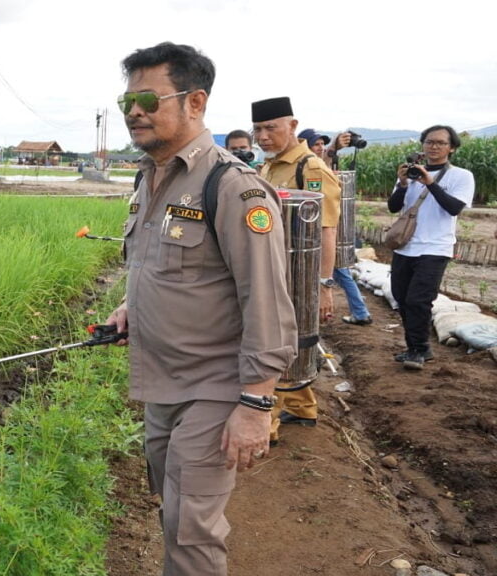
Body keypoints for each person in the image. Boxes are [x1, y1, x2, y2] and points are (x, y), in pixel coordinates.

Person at [105, 42, 297, 575]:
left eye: (148, 98)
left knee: (191, 531)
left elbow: (266, 299)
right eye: (127, 101)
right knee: (173, 511)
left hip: (214, 386)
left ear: (195, 103)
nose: (134, 111)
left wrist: (256, 405)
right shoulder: (151, 177)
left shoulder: (231, 187)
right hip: (164, 383)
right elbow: (158, 266)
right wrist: (128, 308)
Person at [252, 97, 341, 432]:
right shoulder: (269, 165)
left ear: (291, 126)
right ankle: (303, 408)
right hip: (273, 267)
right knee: (292, 339)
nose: (262, 136)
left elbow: (327, 229)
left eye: (270, 128)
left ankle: (267, 423)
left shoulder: (311, 168)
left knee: (273, 340)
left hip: (298, 274)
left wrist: (324, 286)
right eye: (258, 129)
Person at [388, 125, 475, 370]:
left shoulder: (461, 176)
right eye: (428, 142)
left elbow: (453, 208)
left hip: (436, 248)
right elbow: (394, 207)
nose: (433, 147)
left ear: (452, 148)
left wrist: (430, 183)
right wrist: (404, 183)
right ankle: (416, 347)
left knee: (419, 300)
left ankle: (418, 349)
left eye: (440, 143)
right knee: (402, 298)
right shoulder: (411, 175)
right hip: (405, 247)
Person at [300, 128, 373, 326]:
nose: (320, 148)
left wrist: (334, 149)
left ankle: (357, 311)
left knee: (339, 271)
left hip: (327, 232)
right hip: (321, 233)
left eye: (322, 144)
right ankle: (359, 311)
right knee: (342, 272)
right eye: (316, 144)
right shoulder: (306, 166)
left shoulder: (318, 167)